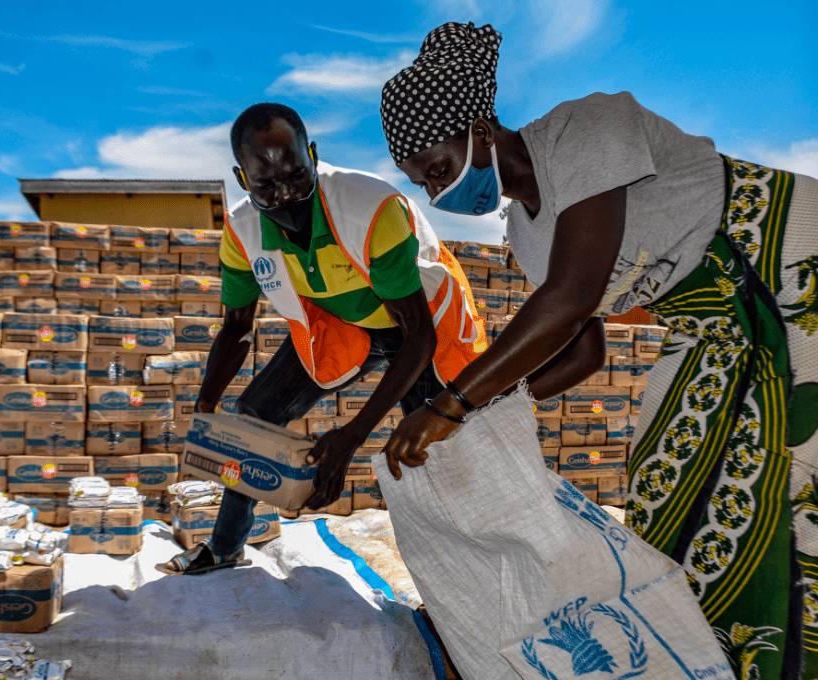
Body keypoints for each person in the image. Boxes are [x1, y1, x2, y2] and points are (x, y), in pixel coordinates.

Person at [379, 21, 818, 679]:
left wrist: (454, 402)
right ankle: (721, 658)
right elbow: (584, 353)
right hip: (710, 326)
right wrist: (487, 417)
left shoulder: (585, 128)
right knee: (668, 481)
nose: (436, 192)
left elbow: (572, 296)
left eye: (438, 169)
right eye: (422, 183)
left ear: (479, 129)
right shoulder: (527, 237)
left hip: (788, 264)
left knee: (793, 472)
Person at [157, 102, 487, 576]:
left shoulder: (371, 208)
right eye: (265, 185)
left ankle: (458, 575)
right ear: (241, 176)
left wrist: (351, 438)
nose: (286, 195)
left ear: (311, 154)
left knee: (426, 447)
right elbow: (235, 327)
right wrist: (206, 404)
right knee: (256, 414)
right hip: (341, 325)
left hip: (419, 327)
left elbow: (416, 338)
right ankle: (226, 546)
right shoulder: (243, 229)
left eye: (295, 174)